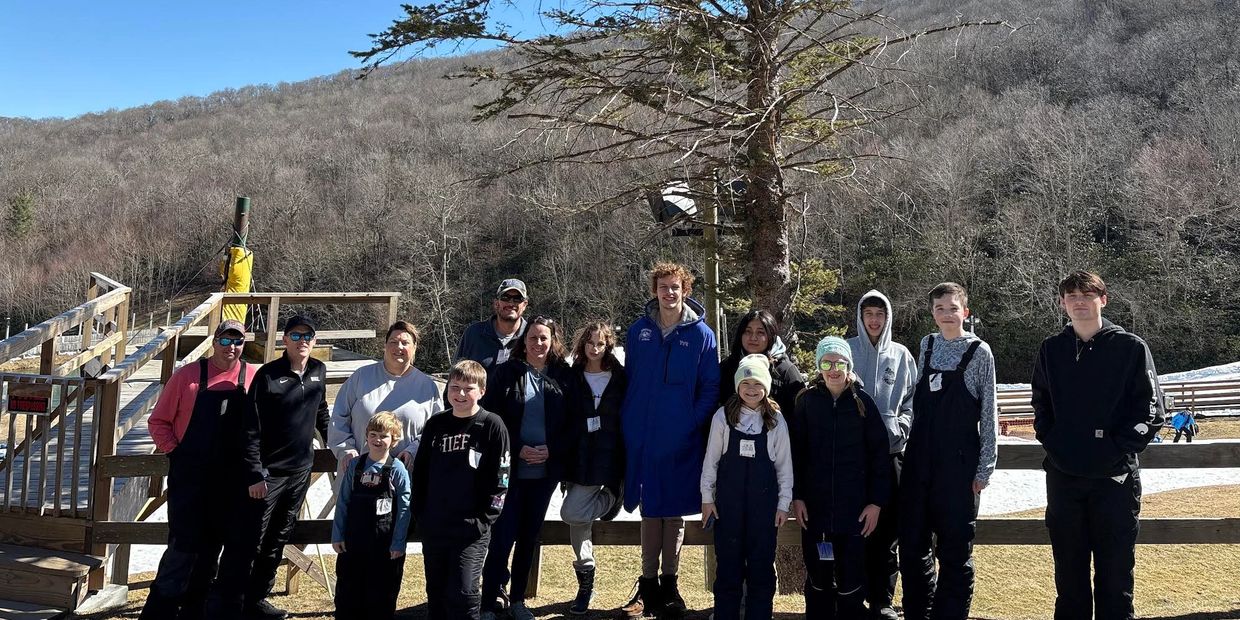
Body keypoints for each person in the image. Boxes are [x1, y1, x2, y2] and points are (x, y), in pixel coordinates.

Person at [1032, 271, 1165, 619]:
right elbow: (1040, 404)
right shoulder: (1052, 349)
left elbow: (1152, 410)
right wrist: (1055, 443)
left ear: (1102, 300)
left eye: (1087, 295)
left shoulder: (1130, 348)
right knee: (1069, 577)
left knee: (1115, 577)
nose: (1080, 302)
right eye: (1072, 296)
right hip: (1064, 479)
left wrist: (1115, 449)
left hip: (1115, 482)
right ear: (1062, 303)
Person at [208, 315, 330, 619]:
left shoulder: (318, 370)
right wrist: (254, 473)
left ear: (314, 340)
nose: (302, 341)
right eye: (296, 336)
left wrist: (338, 446)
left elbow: (322, 413)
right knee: (248, 539)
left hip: (300, 471)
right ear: (285, 340)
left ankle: (256, 600)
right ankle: (227, 604)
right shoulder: (268, 376)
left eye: (307, 336)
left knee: (278, 538)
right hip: (268, 474)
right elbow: (250, 429)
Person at [619, 261, 720, 619]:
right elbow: (630, 380)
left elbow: (710, 387)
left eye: (675, 286)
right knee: (649, 507)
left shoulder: (702, 335)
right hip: (643, 435)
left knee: (673, 509)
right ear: (655, 291)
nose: (669, 293)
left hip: (681, 437)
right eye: (663, 287)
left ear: (685, 290)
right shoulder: (639, 331)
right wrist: (630, 420)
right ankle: (647, 585)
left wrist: (691, 422)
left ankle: (670, 585)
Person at [140, 319, 258, 620]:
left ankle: (195, 611)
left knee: (213, 551)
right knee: (182, 549)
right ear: (214, 341)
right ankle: (158, 613)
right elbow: (158, 422)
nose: (231, 347)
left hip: (230, 482)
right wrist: (176, 452)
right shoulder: (187, 376)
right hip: (190, 480)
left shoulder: (252, 377)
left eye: (237, 341)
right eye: (225, 340)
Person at [899, 282, 998, 620]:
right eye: (940, 309)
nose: (947, 315)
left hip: (958, 466)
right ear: (932, 313)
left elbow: (989, 412)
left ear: (965, 312)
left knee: (955, 552)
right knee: (912, 546)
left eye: (953, 308)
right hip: (919, 463)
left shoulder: (980, 352)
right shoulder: (926, 345)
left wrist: (985, 468)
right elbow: (913, 402)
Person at [479, 315, 575, 620]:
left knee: (528, 537)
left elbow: (573, 424)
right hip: (511, 470)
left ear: (553, 341)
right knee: (502, 536)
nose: (538, 343)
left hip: (545, 473)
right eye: (532, 337)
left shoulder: (564, 375)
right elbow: (491, 418)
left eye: (544, 338)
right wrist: (517, 447)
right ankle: (488, 601)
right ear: (524, 340)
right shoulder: (506, 373)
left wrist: (551, 450)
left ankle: (518, 601)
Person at [789, 337, 891, 619]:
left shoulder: (863, 403)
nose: (833, 369)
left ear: (849, 366)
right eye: (826, 363)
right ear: (819, 367)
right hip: (816, 510)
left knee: (851, 578)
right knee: (819, 578)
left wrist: (876, 503)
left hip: (854, 511)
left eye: (839, 363)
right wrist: (797, 496)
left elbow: (879, 457)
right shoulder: (807, 402)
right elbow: (796, 454)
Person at [413, 360, 511, 620]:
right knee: (436, 592)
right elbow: (421, 472)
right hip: (436, 526)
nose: (460, 394)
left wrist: (483, 520)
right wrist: (421, 514)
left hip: (471, 529)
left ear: (482, 391)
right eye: (455, 387)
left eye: (469, 388)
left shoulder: (492, 425)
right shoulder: (435, 425)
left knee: (464, 593)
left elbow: (501, 479)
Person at [700, 354, 793, 620]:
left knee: (761, 569)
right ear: (737, 385)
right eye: (746, 383)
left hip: (763, 509)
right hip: (728, 507)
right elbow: (711, 461)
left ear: (766, 387)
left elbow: (784, 467)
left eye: (757, 384)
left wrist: (783, 504)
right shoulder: (723, 417)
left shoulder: (775, 420)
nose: (751, 389)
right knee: (728, 568)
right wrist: (707, 498)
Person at [846, 290, 916, 620]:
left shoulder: (901, 355)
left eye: (879, 314)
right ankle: (854, 597)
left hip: (891, 454)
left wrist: (900, 426)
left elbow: (912, 401)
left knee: (887, 533)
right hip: (854, 459)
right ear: (860, 317)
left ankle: (882, 600)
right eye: (868, 314)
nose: (874, 320)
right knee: (856, 530)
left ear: (888, 318)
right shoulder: (846, 350)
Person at [560, 322, 628, 615]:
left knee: (573, 513)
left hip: (611, 456)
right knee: (576, 518)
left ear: (608, 346)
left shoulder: (620, 377)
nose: (595, 348)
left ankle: (612, 495)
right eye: (590, 342)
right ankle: (585, 583)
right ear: (582, 344)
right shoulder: (572, 375)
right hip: (579, 457)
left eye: (600, 343)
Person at [329, 321, 442, 471]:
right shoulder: (361, 377)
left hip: (405, 475)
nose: (399, 347)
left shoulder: (427, 387)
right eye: (393, 342)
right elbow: (338, 418)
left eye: (405, 343)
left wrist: (413, 451)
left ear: (415, 347)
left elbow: (436, 430)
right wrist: (346, 450)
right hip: (356, 472)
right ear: (385, 345)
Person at [331, 412, 411, 620]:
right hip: (353, 542)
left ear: (394, 439)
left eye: (384, 436)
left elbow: (404, 509)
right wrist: (337, 535)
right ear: (366, 436)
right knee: (348, 596)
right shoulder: (355, 466)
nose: (377, 440)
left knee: (380, 597)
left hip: (384, 545)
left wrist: (398, 543)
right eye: (373, 434)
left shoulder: (397, 470)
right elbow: (343, 502)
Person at [717, 309, 805, 415]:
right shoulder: (728, 367)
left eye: (760, 333)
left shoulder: (785, 370)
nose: (753, 338)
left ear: (771, 336)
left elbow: (802, 412)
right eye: (748, 331)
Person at [456, 278, 530, 371]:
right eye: (505, 298)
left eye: (517, 299)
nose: (511, 303)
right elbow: (455, 374)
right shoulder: (474, 333)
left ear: (524, 305)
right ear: (496, 303)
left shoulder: (532, 335)